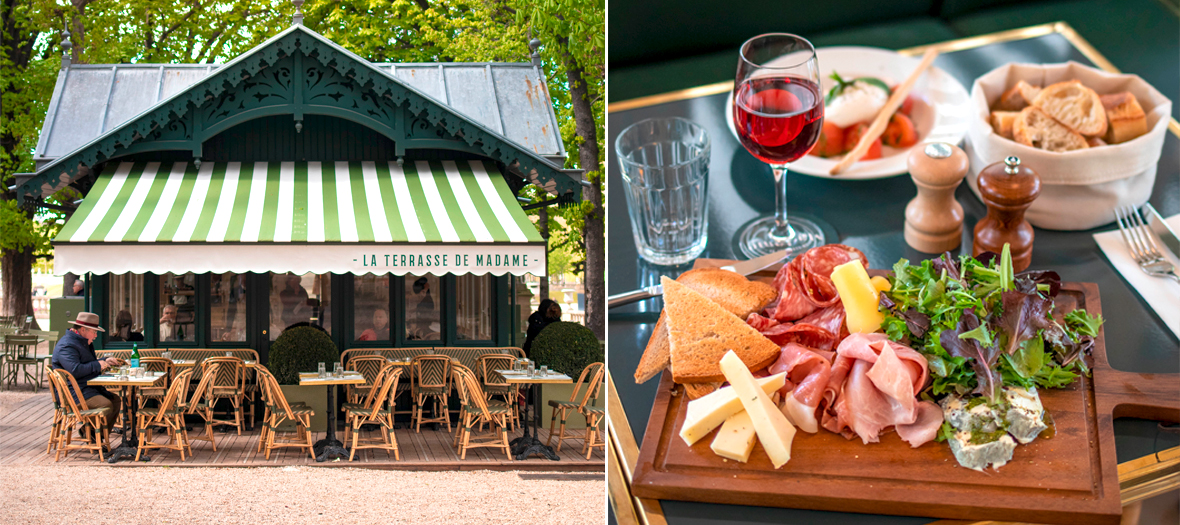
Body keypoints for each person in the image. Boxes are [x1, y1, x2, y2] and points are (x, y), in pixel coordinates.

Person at [51, 312, 121, 438]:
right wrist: (99, 364)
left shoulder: (82, 341)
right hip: (72, 393)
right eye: (94, 332)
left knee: (115, 400)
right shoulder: (67, 345)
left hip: (84, 388)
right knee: (106, 404)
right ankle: (93, 436)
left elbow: (87, 363)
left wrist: (105, 360)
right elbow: (75, 370)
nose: (96, 335)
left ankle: (93, 435)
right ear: (83, 329)